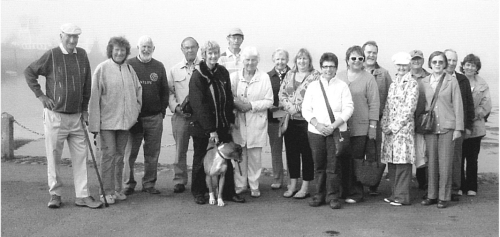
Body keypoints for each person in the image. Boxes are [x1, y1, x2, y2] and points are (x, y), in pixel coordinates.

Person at [24, 23, 102, 209]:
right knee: (53, 156)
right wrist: (41, 96)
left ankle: (82, 196)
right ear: (61, 36)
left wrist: (84, 109)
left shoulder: (82, 55)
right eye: (69, 36)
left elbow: (86, 84)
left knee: (81, 157)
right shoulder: (51, 55)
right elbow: (29, 72)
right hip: (55, 115)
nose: (73, 40)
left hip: (76, 116)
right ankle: (55, 194)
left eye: (76, 36)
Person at [188, 40, 245, 205]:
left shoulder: (223, 72)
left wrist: (230, 120)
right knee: (200, 158)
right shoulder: (198, 75)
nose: (213, 56)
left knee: (226, 158)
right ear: (204, 55)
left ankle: (227, 192)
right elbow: (199, 105)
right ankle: (199, 192)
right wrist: (211, 130)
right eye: (209, 53)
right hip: (202, 127)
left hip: (222, 124)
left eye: (215, 53)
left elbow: (227, 98)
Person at [89, 36, 142, 204]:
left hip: (125, 123)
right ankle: (106, 191)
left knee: (120, 157)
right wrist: (94, 125)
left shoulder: (129, 69)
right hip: (107, 123)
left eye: (123, 50)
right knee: (108, 156)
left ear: (127, 52)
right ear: (111, 51)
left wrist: (134, 113)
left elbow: (138, 92)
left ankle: (118, 189)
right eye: (116, 49)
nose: (119, 53)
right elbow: (94, 97)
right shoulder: (102, 69)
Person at [302, 52, 354, 209]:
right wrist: (317, 124)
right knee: (318, 164)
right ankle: (319, 195)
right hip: (316, 131)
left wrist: (333, 126)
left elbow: (348, 108)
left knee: (333, 165)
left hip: (335, 131)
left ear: (336, 68)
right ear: (321, 68)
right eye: (325, 66)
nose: (328, 70)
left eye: (331, 67)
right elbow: (306, 109)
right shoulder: (313, 86)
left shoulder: (342, 86)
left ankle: (333, 196)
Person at [122, 36, 168, 195]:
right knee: (130, 153)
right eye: (143, 46)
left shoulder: (159, 66)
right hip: (134, 119)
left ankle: (149, 184)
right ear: (138, 47)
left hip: (154, 118)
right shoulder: (129, 65)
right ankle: (128, 184)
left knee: (152, 154)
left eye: (149, 47)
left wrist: (162, 111)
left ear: (153, 49)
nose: (146, 49)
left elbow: (164, 91)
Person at [337, 45, 380, 204]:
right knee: (341, 159)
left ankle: (356, 192)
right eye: (353, 58)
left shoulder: (368, 78)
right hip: (341, 126)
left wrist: (373, 127)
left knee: (356, 160)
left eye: (360, 58)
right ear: (347, 60)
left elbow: (374, 104)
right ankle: (342, 191)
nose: (357, 61)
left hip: (360, 127)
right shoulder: (339, 76)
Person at [420, 51, 463, 209]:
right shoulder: (424, 81)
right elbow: (421, 104)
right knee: (431, 163)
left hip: (447, 126)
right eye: (434, 62)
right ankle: (431, 195)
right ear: (430, 64)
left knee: (445, 163)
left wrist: (458, 128)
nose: (437, 65)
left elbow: (458, 105)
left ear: (445, 64)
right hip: (430, 127)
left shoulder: (452, 81)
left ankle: (444, 197)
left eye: (440, 62)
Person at [231, 46, 273, 198]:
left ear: (258, 61)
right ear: (243, 60)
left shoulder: (264, 77)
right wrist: (238, 104)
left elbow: (269, 101)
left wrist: (251, 105)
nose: (250, 63)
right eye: (247, 60)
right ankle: (240, 185)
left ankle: (254, 185)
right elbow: (228, 95)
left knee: (255, 157)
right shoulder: (235, 77)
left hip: (257, 121)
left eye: (253, 60)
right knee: (239, 155)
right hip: (239, 121)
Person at [278, 48, 320, 199]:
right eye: (299, 59)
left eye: (305, 59)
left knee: (307, 154)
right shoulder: (290, 74)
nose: (302, 61)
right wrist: (290, 108)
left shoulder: (316, 77)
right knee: (291, 153)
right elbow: (281, 93)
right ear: (295, 61)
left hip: (307, 122)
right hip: (291, 121)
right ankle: (293, 184)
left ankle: (306, 186)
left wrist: (300, 109)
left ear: (310, 61)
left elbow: (317, 98)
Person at [381, 52, 419, 206]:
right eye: (399, 65)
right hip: (390, 129)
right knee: (392, 162)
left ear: (409, 66)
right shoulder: (393, 83)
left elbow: (409, 109)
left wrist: (394, 127)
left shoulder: (413, 83)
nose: (402, 68)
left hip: (403, 130)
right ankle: (394, 193)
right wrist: (384, 124)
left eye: (404, 65)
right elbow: (388, 106)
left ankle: (402, 196)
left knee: (403, 162)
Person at [168, 37, 201, 194]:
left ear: (197, 48)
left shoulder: (204, 67)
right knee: (180, 150)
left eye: (192, 47)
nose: (190, 50)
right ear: (182, 49)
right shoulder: (175, 70)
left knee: (201, 149)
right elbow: (169, 92)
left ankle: (200, 180)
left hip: (200, 117)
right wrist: (175, 107)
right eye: (186, 48)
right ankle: (180, 180)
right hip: (181, 116)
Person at [362, 41, 392, 196]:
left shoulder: (384, 74)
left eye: (374, 52)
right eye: (369, 52)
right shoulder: (356, 72)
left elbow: (390, 98)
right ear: (363, 53)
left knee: (375, 152)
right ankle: (359, 182)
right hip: (359, 121)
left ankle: (373, 183)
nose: (371, 55)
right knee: (359, 151)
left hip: (378, 120)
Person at [444, 49, 474, 202]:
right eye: (449, 60)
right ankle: (439, 189)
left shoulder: (462, 80)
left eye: (454, 60)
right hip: (440, 126)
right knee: (439, 160)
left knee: (456, 159)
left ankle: (455, 189)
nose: (452, 63)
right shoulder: (436, 78)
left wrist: (467, 126)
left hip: (457, 126)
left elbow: (469, 104)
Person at [460, 54, 491, 196]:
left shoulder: (482, 84)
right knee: (458, 157)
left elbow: (486, 105)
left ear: (477, 68)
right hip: (459, 125)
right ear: (463, 66)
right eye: (467, 64)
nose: (470, 67)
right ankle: (459, 185)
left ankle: (472, 186)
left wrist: (472, 115)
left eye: (473, 65)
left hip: (477, 126)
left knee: (472, 158)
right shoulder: (457, 80)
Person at [267, 48, 291, 190]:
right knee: (276, 150)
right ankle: (277, 179)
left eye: (283, 59)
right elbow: (266, 97)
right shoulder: (268, 77)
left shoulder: (294, 75)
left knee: (290, 151)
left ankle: (291, 180)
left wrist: (285, 114)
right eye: (277, 59)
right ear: (273, 60)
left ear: (287, 60)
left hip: (291, 120)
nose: (280, 62)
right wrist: (278, 114)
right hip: (273, 120)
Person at [409, 50, 431, 192]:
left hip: (425, 120)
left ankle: (424, 183)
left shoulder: (430, 77)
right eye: (413, 59)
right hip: (408, 120)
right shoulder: (404, 75)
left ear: (423, 60)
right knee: (411, 151)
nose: (416, 61)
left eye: (419, 59)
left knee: (424, 152)